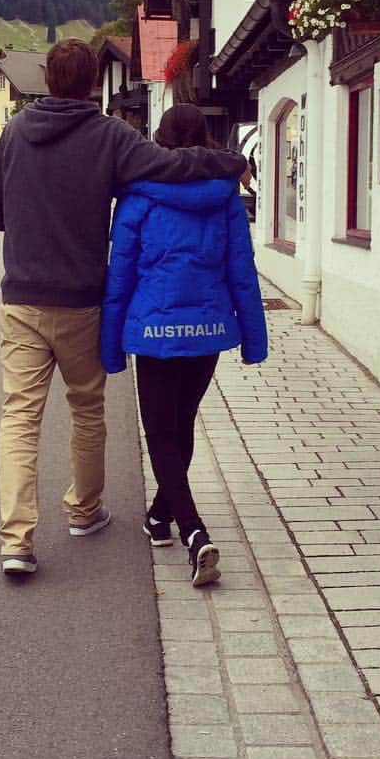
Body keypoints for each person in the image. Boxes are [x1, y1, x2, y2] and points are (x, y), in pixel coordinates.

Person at [0, 40, 246, 576]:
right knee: (86, 408)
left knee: (20, 417)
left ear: (49, 80)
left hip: (23, 300)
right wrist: (233, 161)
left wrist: (28, 224)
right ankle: (84, 510)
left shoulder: (14, 133)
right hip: (81, 302)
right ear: (91, 81)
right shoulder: (111, 136)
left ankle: (17, 541)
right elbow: (171, 167)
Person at [100, 103, 268, 586]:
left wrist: (110, 347)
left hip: (153, 334)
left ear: (160, 138)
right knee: (182, 425)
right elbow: (242, 272)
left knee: (161, 434)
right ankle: (159, 517)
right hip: (208, 334)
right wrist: (253, 341)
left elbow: (120, 277)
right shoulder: (226, 198)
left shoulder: (136, 199)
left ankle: (194, 533)